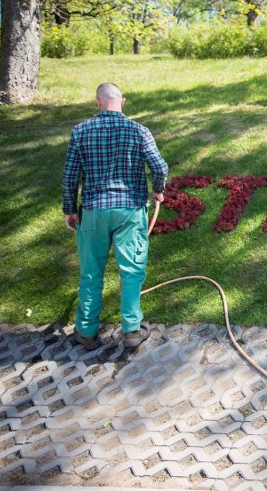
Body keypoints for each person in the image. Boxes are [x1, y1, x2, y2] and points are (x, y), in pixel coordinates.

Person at [61, 82, 168, 350]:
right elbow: (159, 165)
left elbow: (69, 176)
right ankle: (131, 330)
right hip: (129, 210)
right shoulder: (138, 131)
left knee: (90, 273)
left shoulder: (80, 131)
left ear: (98, 102)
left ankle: (86, 332)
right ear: (123, 101)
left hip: (94, 210)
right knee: (131, 271)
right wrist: (158, 190)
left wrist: (70, 209)